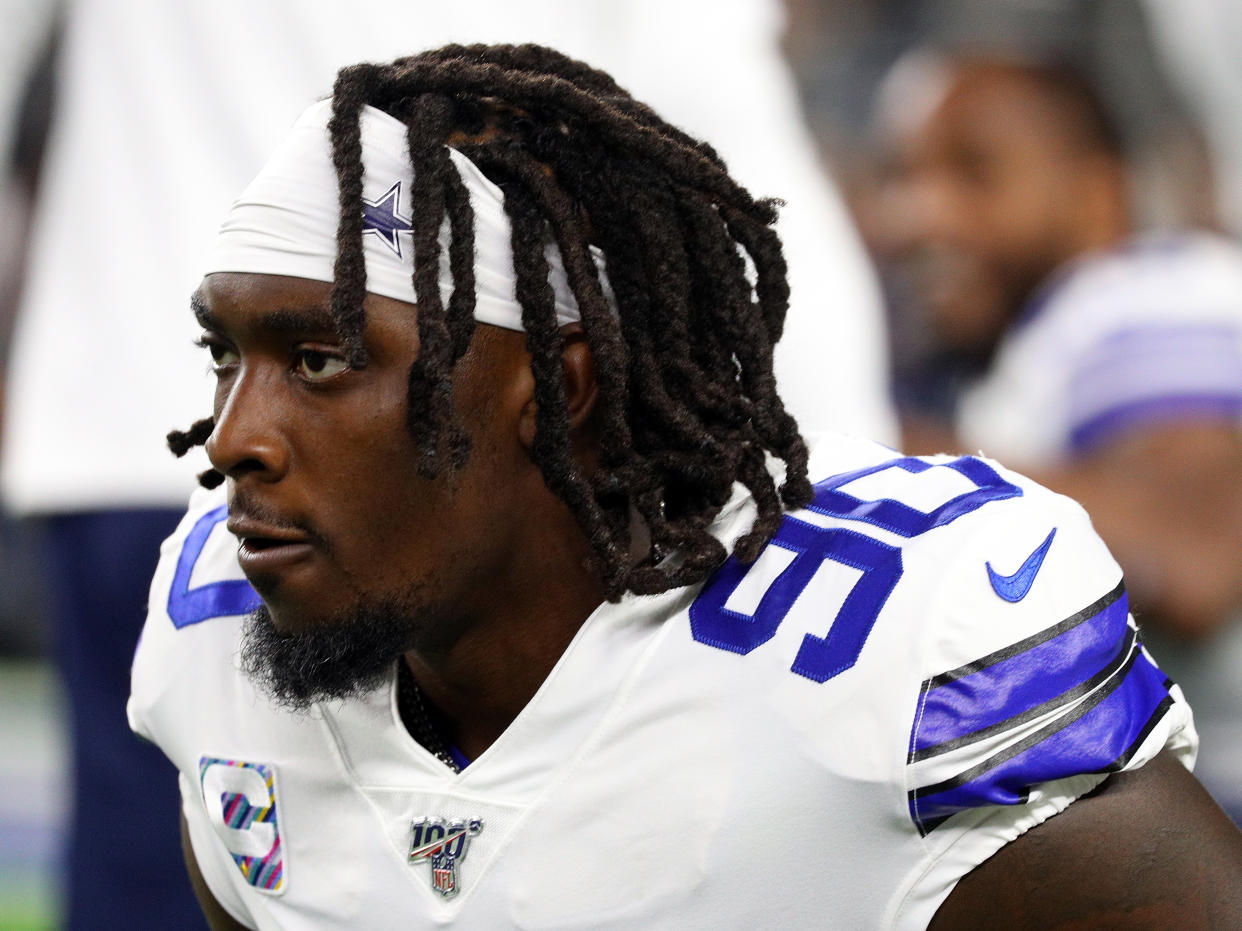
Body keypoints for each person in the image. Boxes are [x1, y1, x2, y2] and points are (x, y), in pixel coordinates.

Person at [128, 44, 1242, 928]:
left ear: (556, 390)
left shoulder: (871, 654)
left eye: (321, 361)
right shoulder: (215, 624)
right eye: (225, 359)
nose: (233, 439)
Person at [3, 2, 891, 925]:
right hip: (487, 427)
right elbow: (723, 112)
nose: (241, 433)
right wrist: (816, 470)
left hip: (140, 408)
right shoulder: (193, 590)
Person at [870, 50, 1242, 820]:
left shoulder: (1142, 290)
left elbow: (1195, 546)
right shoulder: (1014, 353)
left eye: (974, 172)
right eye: (904, 177)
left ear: (1097, 191)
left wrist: (870, 451)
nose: (919, 215)